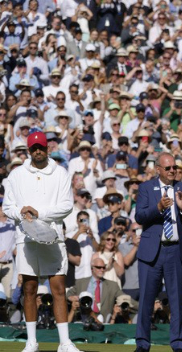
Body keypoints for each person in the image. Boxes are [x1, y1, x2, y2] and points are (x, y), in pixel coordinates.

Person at [2, 131, 80, 352]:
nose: (38, 151)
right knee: (29, 288)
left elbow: (66, 206)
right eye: (34, 148)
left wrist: (39, 213)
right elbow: (8, 207)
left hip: (53, 237)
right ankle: (31, 342)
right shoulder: (16, 176)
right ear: (29, 150)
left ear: (48, 149)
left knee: (58, 288)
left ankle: (64, 343)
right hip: (25, 238)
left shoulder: (61, 173)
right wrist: (22, 211)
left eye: (41, 147)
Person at [134, 153, 182, 352]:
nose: (173, 171)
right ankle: (142, 344)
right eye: (168, 168)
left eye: (174, 167)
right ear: (158, 170)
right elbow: (140, 217)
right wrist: (158, 207)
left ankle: (178, 345)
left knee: (177, 301)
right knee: (145, 300)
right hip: (151, 252)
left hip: (175, 251)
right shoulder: (146, 188)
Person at [66, 257, 123, 323]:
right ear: (92, 268)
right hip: (83, 320)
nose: (102, 270)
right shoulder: (80, 282)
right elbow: (68, 294)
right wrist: (72, 298)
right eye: (99, 267)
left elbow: (123, 298)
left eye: (103, 267)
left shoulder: (112, 285)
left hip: (104, 322)